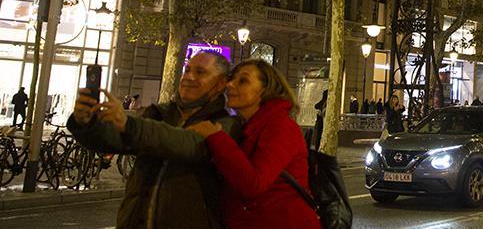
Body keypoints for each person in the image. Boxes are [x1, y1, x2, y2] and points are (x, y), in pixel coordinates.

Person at [68, 50, 239, 228]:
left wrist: (129, 124)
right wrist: (87, 123)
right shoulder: (159, 112)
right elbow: (116, 140)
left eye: (200, 72)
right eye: (187, 70)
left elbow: (186, 144)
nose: (189, 77)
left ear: (221, 84)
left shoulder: (225, 123)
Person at [187, 59, 319, 229]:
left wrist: (216, 137)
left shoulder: (280, 126)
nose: (230, 85)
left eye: (243, 81)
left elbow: (253, 184)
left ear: (264, 90)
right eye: (231, 79)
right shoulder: (248, 126)